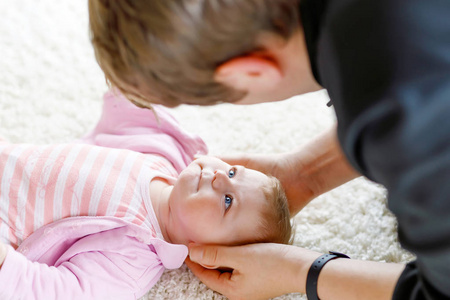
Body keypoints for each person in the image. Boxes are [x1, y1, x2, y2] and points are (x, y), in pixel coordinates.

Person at [87, 0, 450, 299]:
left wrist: (301, 271)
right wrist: (306, 174)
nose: (217, 175)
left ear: (251, 73)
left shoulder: (405, 116)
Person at [0, 91, 292, 299]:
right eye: (232, 173)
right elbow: (134, 97)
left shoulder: (133, 260)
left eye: (228, 202)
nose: (218, 177)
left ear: (208, 253)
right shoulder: (163, 158)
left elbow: (59, 291)